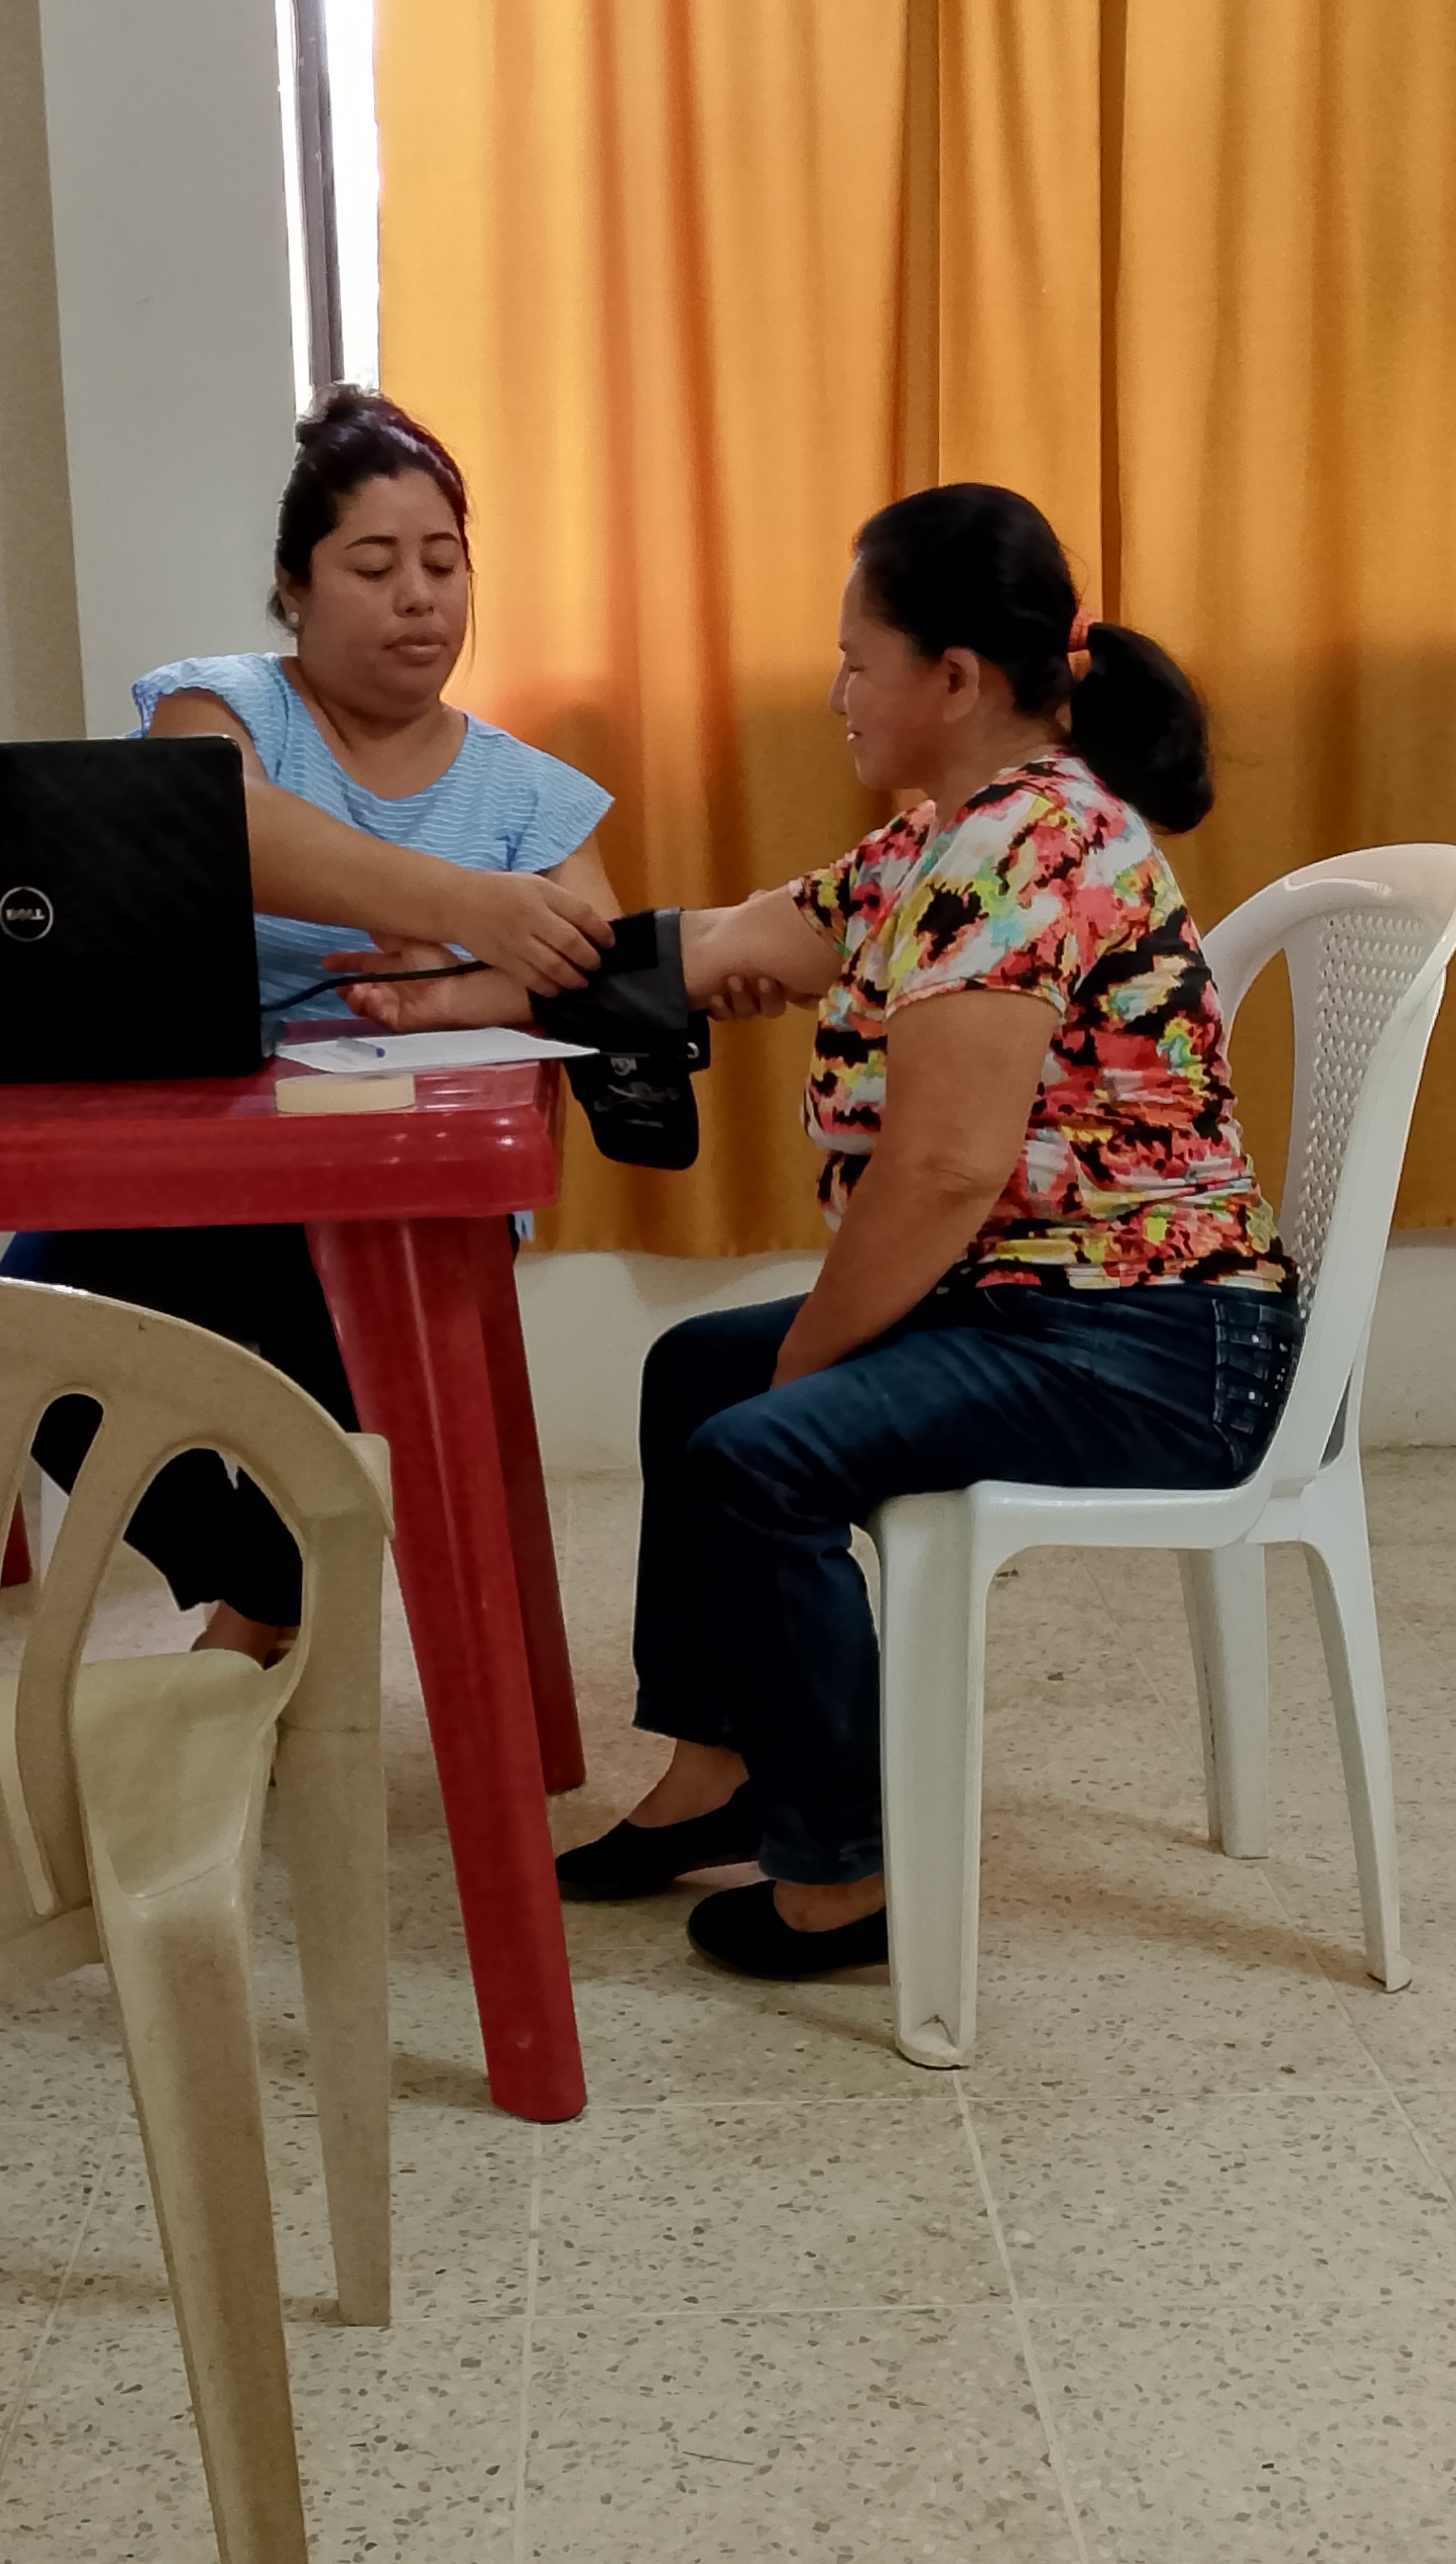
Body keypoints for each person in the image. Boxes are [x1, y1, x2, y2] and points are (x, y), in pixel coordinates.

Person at [348, 483, 1299, 1979]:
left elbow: (944, 1172)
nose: (836, 689)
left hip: (1153, 1342)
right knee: (695, 1375)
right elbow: (716, 948)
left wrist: (814, 1356)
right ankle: (716, 1772)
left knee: (757, 1450)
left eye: (857, 660)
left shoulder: (1025, 850)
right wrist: (439, 995)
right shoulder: (936, 845)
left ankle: (847, 1875)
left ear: (955, 679)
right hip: (1043, 1303)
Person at [5, 388, 620, 1659]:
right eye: (375, 566)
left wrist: (456, 989)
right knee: (29, 1343)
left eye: (443, 564)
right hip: (189, 1157)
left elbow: (599, 972)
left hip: (395, 1178)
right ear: (293, 586)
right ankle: (265, 1593)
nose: (419, 598)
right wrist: (469, 908)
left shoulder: (530, 791)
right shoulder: (217, 708)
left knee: (347, 1386)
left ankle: (257, 1629)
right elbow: (224, 827)